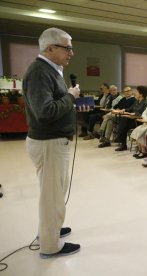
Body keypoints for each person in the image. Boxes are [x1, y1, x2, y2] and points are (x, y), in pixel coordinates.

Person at [23, 27, 81, 258]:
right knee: (52, 197)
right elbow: (45, 112)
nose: (71, 53)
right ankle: (49, 245)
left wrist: (67, 96)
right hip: (49, 143)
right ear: (50, 48)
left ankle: (51, 230)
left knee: (53, 194)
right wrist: (70, 96)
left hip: (54, 143)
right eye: (67, 48)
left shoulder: (50, 70)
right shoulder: (39, 72)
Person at [115, 86, 147, 151]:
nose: (134, 93)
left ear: (141, 94)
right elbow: (130, 109)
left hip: (139, 121)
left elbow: (145, 114)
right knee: (123, 120)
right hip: (133, 120)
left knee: (124, 122)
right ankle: (122, 142)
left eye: (136, 92)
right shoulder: (136, 101)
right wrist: (124, 110)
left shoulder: (146, 102)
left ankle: (121, 141)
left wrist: (135, 114)